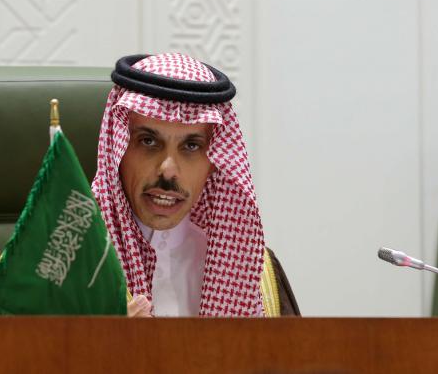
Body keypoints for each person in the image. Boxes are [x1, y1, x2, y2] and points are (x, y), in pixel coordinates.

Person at [93, 53, 299, 317]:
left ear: (215, 161)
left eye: (191, 146)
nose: (168, 171)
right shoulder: (72, 262)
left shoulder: (257, 278)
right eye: (148, 141)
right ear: (117, 149)